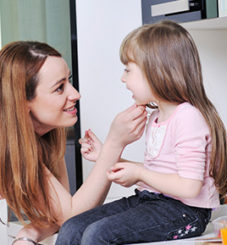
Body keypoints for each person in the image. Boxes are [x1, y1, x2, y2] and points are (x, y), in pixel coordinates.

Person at [55, 20, 227, 245]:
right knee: (72, 228)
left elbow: (189, 187)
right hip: (151, 201)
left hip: (186, 212)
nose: (123, 78)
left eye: (128, 70)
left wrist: (139, 174)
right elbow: (158, 172)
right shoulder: (156, 117)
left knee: (97, 234)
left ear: (156, 72)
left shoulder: (188, 117)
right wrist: (107, 157)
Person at [0, 41, 147, 245]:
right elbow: (70, 215)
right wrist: (114, 143)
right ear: (23, 102)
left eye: (69, 80)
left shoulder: (43, 140)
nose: (75, 94)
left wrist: (29, 233)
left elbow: (63, 214)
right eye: (59, 88)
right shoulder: (6, 147)